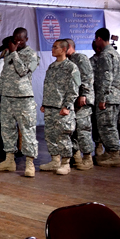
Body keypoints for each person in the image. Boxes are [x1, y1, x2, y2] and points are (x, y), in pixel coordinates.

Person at [0, 27, 39, 177]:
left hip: (23, 99)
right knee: (7, 130)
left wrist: (13, 53)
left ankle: (30, 163)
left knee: (27, 130)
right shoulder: (9, 55)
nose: (17, 42)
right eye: (15, 39)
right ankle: (9, 161)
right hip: (7, 98)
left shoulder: (32, 55)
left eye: (20, 39)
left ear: (26, 39)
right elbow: (4, 75)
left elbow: (23, 71)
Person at [39, 39, 80, 175]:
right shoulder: (51, 67)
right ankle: (55, 161)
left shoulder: (71, 67)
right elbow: (48, 87)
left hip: (62, 108)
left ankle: (65, 163)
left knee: (63, 136)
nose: (52, 49)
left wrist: (67, 106)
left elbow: (74, 89)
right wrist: (45, 103)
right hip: (50, 107)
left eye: (55, 47)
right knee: (50, 135)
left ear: (63, 49)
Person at [93, 27, 120, 167]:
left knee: (106, 126)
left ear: (99, 38)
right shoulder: (115, 53)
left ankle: (114, 155)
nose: (95, 42)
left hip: (108, 97)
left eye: (95, 39)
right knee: (110, 125)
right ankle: (110, 153)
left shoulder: (105, 55)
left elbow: (107, 77)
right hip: (116, 96)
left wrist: (103, 98)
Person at [65, 38, 95, 170]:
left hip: (82, 100)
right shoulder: (67, 61)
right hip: (72, 101)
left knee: (83, 129)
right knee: (73, 130)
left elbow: (87, 77)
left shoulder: (80, 58)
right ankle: (76, 157)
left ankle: (88, 158)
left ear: (69, 46)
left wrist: (84, 94)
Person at [89, 41, 103, 156]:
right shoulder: (91, 61)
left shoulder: (109, 58)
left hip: (109, 95)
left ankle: (113, 148)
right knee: (97, 122)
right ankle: (98, 145)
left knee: (113, 124)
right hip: (96, 96)